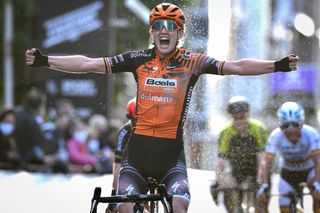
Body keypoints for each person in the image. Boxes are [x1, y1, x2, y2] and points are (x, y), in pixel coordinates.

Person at [25, 3, 299, 212]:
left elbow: (237, 67)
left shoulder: (194, 62)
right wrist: (46, 60)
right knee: (125, 207)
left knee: (179, 206)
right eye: (158, 25)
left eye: (171, 26)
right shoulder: (138, 60)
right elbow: (88, 63)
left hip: (171, 159)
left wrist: (276, 66)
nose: (164, 31)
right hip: (137, 158)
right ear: (151, 32)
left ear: (180, 33)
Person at [256, 102, 320, 213]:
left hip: (309, 171)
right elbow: (266, 163)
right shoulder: (275, 136)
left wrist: (317, 184)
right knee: (284, 204)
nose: (291, 130)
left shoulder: (311, 133)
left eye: (296, 125)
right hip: (287, 172)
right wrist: (264, 185)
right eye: (286, 126)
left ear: (302, 123)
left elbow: (318, 161)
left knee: (318, 196)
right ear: (280, 125)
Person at [210, 96, 268, 212]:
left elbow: (263, 159)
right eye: (235, 118)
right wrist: (217, 181)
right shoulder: (226, 132)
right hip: (236, 170)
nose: (239, 121)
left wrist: (260, 181)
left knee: (260, 202)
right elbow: (221, 161)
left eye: (242, 117)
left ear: (248, 114)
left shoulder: (259, 129)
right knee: (227, 188)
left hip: (256, 169)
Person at [106, 97, 137, 213]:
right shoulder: (124, 132)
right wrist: (114, 194)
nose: (136, 124)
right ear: (129, 118)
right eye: (134, 120)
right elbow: (117, 165)